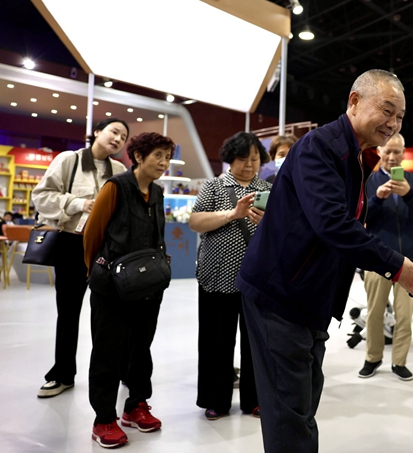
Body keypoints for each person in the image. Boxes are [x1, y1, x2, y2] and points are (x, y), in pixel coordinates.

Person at [236, 69, 413, 453]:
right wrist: (397, 266)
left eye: (400, 117)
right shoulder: (321, 147)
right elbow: (332, 223)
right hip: (280, 293)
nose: (393, 123)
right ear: (354, 101)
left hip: (311, 295)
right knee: (289, 413)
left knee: (303, 401)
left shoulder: (357, 158)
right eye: (387, 111)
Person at [83, 132, 175, 449]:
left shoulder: (158, 192)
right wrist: (96, 273)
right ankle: (103, 419)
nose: (163, 162)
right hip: (111, 287)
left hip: (148, 286)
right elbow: (92, 234)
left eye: (167, 156)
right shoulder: (116, 187)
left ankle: (136, 405)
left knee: (141, 349)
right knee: (108, 351)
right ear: (138, 156)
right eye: (158, 155)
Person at [30, 118, 129, 398]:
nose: (118, 139)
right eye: (114, 131)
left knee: (111, 315)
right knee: (69, 312)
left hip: (107, 249)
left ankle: (118, 370)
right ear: (97, 132)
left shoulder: (119, 170)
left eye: (123, 137)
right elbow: (42, 196)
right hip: (72, 244)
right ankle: (62, 374)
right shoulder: (69, 160)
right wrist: (78, 203)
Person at [189, 132, 269, 420]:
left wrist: (268, 221)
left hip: (257, 278)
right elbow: (195, 222)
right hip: (216, 275)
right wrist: (232, 214)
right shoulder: (214, 186)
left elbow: (282, 229)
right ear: (230, 159)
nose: (249, 165)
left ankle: (255, 399)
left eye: (255, 159)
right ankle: (216, 399)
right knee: (216, 341)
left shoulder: (268, 188)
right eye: (243, 159)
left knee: (256, 343)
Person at [358, 133, 413, 381]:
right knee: (374, 313)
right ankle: (372, 357)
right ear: (379, 151)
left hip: (411, 260)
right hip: (377, 257)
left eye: (397, 151)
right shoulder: (368, 181)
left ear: (403, 153)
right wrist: (377, 199)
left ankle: (399, 361)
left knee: (405, 315)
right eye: (387, 151)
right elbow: (360, 216)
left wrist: (409, 193)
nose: (392, 156)